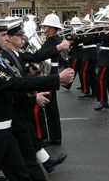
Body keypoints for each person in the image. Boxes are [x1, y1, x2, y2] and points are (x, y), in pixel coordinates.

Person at [0, 17, 73, 180]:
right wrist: (56, 79)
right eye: (3, 35)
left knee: (22, 175)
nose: (7, 38)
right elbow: (15, 83)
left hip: (3, 129)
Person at [1, 19, 69, 179]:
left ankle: (46, 162)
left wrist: (31, 75)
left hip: (21, 105)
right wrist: (34, 97)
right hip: (13, 107)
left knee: (26, 139)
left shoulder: (16, 54)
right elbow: (14, 83)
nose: (23, 37)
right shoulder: (5, 56)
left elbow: (31, 63)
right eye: (19, 35)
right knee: (16, 146)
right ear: (9, 38)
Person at [33, 13, 65, 145]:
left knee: (48, 105)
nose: (44, 27)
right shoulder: (51, 38)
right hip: (51, 71)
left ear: (52, 27)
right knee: (51, 106)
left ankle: (46, 136)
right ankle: (55, 136)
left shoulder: (52, 40)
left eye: (46, 25)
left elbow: (40, 55)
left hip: (49, 72)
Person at [78, 14, 98, 99]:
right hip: (88, 52)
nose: (84, 24)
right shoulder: (87, 31)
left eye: (85, 23)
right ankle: (94, 91)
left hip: (89, 53)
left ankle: (86, 91)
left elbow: (87, 40)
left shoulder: (91, 31)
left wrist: (83, 33)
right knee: (91, 73)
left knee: (84, 72)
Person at [64, 16, 84, 90]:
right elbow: (68, 39)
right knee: (79, 71)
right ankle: (83, 85)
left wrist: (73, 39)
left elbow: (76, 43)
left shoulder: (80, 32)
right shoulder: (74, 32)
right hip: (76, 52)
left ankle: (68, 85)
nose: (73, 26)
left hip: (77, 53)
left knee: (73, 70)